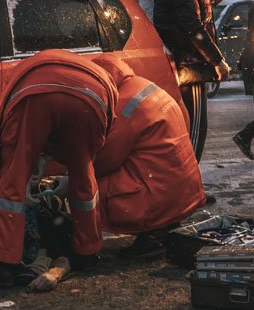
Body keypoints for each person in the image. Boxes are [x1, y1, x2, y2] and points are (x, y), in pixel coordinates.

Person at [0, 49, 117, 287]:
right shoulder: (101, 74)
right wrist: (76, 156)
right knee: (84, 176)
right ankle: (88, 251)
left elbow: (2, 119)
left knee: (13, 183)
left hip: (34, 94)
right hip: (91, 98)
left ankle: (3, 263)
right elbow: (104, 130)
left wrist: (6, 159)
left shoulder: (22, 71)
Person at [85, 54, 208, 259]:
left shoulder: (123, 105)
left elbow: (105, 160)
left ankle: (153, 233)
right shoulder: (142, 85)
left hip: (157, 193)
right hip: (181, 191)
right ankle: (164, 226)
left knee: (91, 183)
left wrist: (69, 171)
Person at [149, 0, 249, 161]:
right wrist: (217, 61)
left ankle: (185, 186)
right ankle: (189, 188)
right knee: (194, 131)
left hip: (184, 66)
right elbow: (193, 28)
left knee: (186, 130)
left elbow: (207, 1)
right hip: (190, 68)